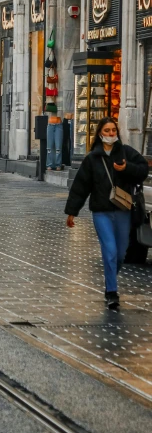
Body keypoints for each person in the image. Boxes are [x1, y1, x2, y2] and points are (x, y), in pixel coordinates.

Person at [65, 117, 148, 310]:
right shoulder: (92, 158)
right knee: (109, 251)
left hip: (122, 211)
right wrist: (72, 211)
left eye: (113, 131)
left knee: (119, 254)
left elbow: (143, 169)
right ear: (100, 134)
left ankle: (111, 278)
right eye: (107, 131)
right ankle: (111, 291)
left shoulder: (126, 153)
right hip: (101, 212)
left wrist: (127, 168)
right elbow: (81, 186)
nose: (111, 134)